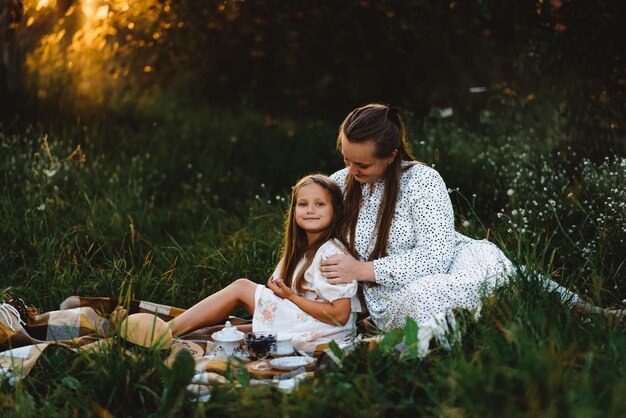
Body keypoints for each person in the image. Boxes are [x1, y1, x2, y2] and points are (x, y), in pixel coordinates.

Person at [319, 103, 624, 341]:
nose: (351, 169)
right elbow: (311, 233)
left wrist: (363, 269)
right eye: (346, 159)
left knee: (491, 267)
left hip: (447, 260)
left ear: (391, 155)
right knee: (426, 295)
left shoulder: (421, 180)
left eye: (362, 164)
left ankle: (585, 311)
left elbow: (436, 255)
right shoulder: (339, 184)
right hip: (395, 291)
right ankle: (507, 316)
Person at [114, 174, 362, 350]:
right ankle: (147, 335)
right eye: (303, 204)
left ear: (335, 211)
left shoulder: (331, 255)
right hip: (305, 322)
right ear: (294, 210)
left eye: (320, 204)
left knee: (242, 287)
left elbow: (340, 316)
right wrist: (281, 292)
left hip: (325, 332)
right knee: (221, 333)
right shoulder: (303, 249)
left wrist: (290, 297)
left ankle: (163, 333)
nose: (310, 210)